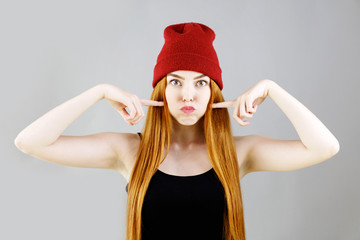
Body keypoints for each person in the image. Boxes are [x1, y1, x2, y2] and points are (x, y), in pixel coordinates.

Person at [14, 22, 340, 240]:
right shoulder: (130, 151)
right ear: (160, 91)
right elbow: (29, 142)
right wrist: (98, 92)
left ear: (214, 92)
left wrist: (272, 89)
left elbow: (325, 147)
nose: (188, 95)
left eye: (200, 82)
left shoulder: (238, 154)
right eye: (175, 81)